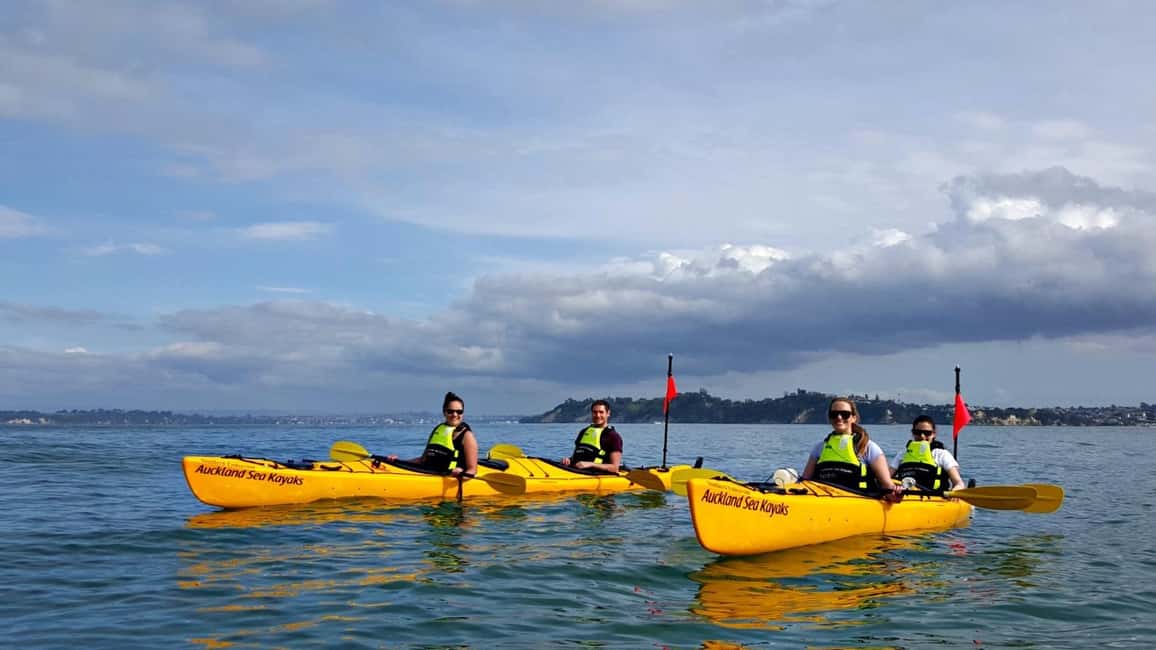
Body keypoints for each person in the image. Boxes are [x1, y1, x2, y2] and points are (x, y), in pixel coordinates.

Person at [801, 396, 903, 502]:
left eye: (845, 414)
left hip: (858, 504)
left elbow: (887, 488)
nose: (839, 417)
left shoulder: (869, 448)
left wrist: (896, 494)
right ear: (830, 418)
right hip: (824, 502)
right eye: (834, 414)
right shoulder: (819, 448)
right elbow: (805, 482)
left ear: (854, 417)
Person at [387, 392, 478, 478]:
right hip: (429, 473)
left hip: (450, 478)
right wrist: (398, 462)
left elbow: (472, 470)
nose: (455, 414)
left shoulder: (467, 436)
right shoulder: (437, 430)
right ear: (444, 412)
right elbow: (422, 460)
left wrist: (461, 475)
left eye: (459, 411)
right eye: (450, 411)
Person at [891, 415, 965, 491]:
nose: (922, 436)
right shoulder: (903, 454)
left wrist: (956, 490)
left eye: (927, 433)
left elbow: (958, 483)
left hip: (934, 499)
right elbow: (887, 477)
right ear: (913, 433)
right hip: (905, 498)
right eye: (918, 432)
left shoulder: (941, 454)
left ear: (933, 434)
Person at [561, 399, 623, 473]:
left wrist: (591, 464)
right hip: (575, 471)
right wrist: (568, 460)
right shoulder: (584, 432)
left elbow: (615, 468)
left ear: (608, 413)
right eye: (595, 412)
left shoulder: (613, 437)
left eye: (601, 412)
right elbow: (576, 456)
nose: (597, 415)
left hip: (594, 475)